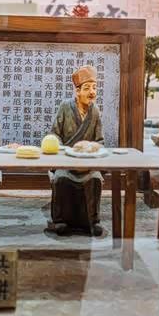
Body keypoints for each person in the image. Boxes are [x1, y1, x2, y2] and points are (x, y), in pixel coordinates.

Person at [48, 65, 104, 236]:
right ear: (77, 91)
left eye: (94, 88)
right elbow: (54, 134)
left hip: (87, 163)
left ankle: (92, 221)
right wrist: (61, 149)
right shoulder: (65, 107)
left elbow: (100, 141)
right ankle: (60, 220)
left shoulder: (95, 111)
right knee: (61, 178)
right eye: (87, 88)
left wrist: (92, 147)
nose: (92, 92)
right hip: (66, 161)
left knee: (95, 178)